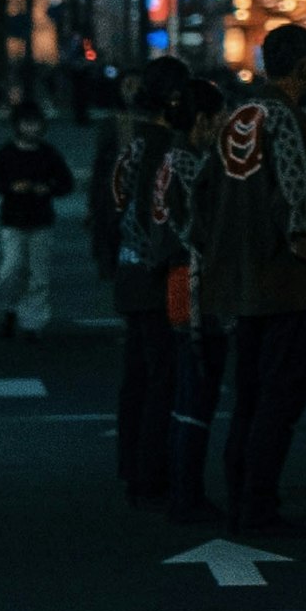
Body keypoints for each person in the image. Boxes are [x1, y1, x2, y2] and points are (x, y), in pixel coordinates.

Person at [186, 25, 306, 534]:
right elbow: (295, 193)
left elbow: (200, 196)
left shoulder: (234, 118)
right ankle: (258, 502)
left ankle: (238, 493)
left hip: (238, 281)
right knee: (280, 396)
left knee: (248, 394)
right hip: (283, 281)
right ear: (299, 68)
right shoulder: (286, 117)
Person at [99, 62, 194, 505]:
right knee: (162, 376)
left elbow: (106, 201)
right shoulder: (162, 145)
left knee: (137, 375)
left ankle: (130, 463)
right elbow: (157, 213)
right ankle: (150, 472)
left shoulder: (126, 136)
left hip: (128, 267)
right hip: (155, 271)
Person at [0, 97, 75, 337]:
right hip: (13, 219)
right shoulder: (7, 153)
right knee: (12, 269)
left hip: (41, 218)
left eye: (35, 123)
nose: (31, 128)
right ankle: (9, 308)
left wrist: (48, 189)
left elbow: (67, 183)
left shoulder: (48, 153)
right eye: (26, 123)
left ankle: (33, 323)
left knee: (38, 273)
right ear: (17, 125)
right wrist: (12, 187)